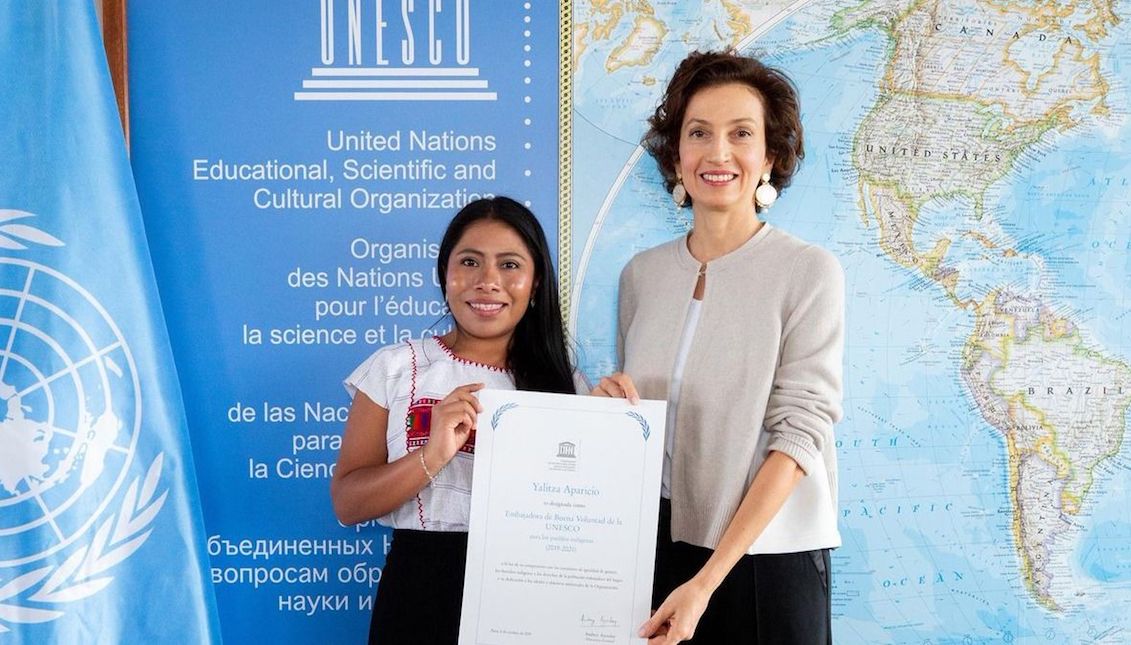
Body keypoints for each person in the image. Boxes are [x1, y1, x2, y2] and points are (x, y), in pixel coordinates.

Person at [592, 50, 844, 644]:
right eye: (698, 133)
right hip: (658, 552)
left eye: (741, 134)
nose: (718, 153)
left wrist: (707, 581)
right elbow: (653, 425)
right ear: (675, 154)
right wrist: (612, 411)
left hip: (764, 562)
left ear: (769, 158)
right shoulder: (640, 276)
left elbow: (799, 434)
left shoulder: (808, 271)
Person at [331, 196, 577, 644]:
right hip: (420, 590)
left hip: (532, 591)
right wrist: (432, 455)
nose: (488, 282)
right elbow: (348, 504)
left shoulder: (570, 388)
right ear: (445, 274)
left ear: (536, 282)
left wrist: (617, 420)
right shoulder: (396, 368)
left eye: (509, 265)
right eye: (470, 262)